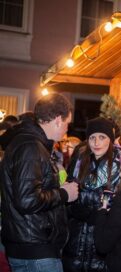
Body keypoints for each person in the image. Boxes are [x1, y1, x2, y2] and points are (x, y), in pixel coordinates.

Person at [0, 93, 79, 272]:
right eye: (67, 123)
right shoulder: (31, 147)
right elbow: (27, 200)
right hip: (35, 250)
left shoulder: (31, 143)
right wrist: (64, 194)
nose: (67, 128)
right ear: (58, 119)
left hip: (30, 245)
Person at [62, 117, 121, 272]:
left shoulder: (120, 166)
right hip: (76, 240)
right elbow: (68, 192)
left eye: (102, 137)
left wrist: (103, 215)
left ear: (110, 140)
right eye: (92, 138)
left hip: (101, 242)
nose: (96, 143)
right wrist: (73, 208)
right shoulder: (80, 161)